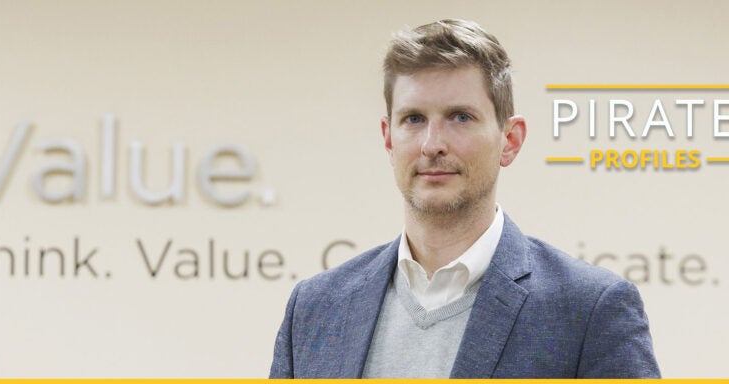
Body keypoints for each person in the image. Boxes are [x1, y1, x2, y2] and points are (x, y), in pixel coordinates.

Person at [269, 19, 660, 378]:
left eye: (460, 117)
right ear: (388, 138)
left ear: (510, 140)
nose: (432, 145)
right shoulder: (315, 307)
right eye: (414, 119)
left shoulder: (589, 310)